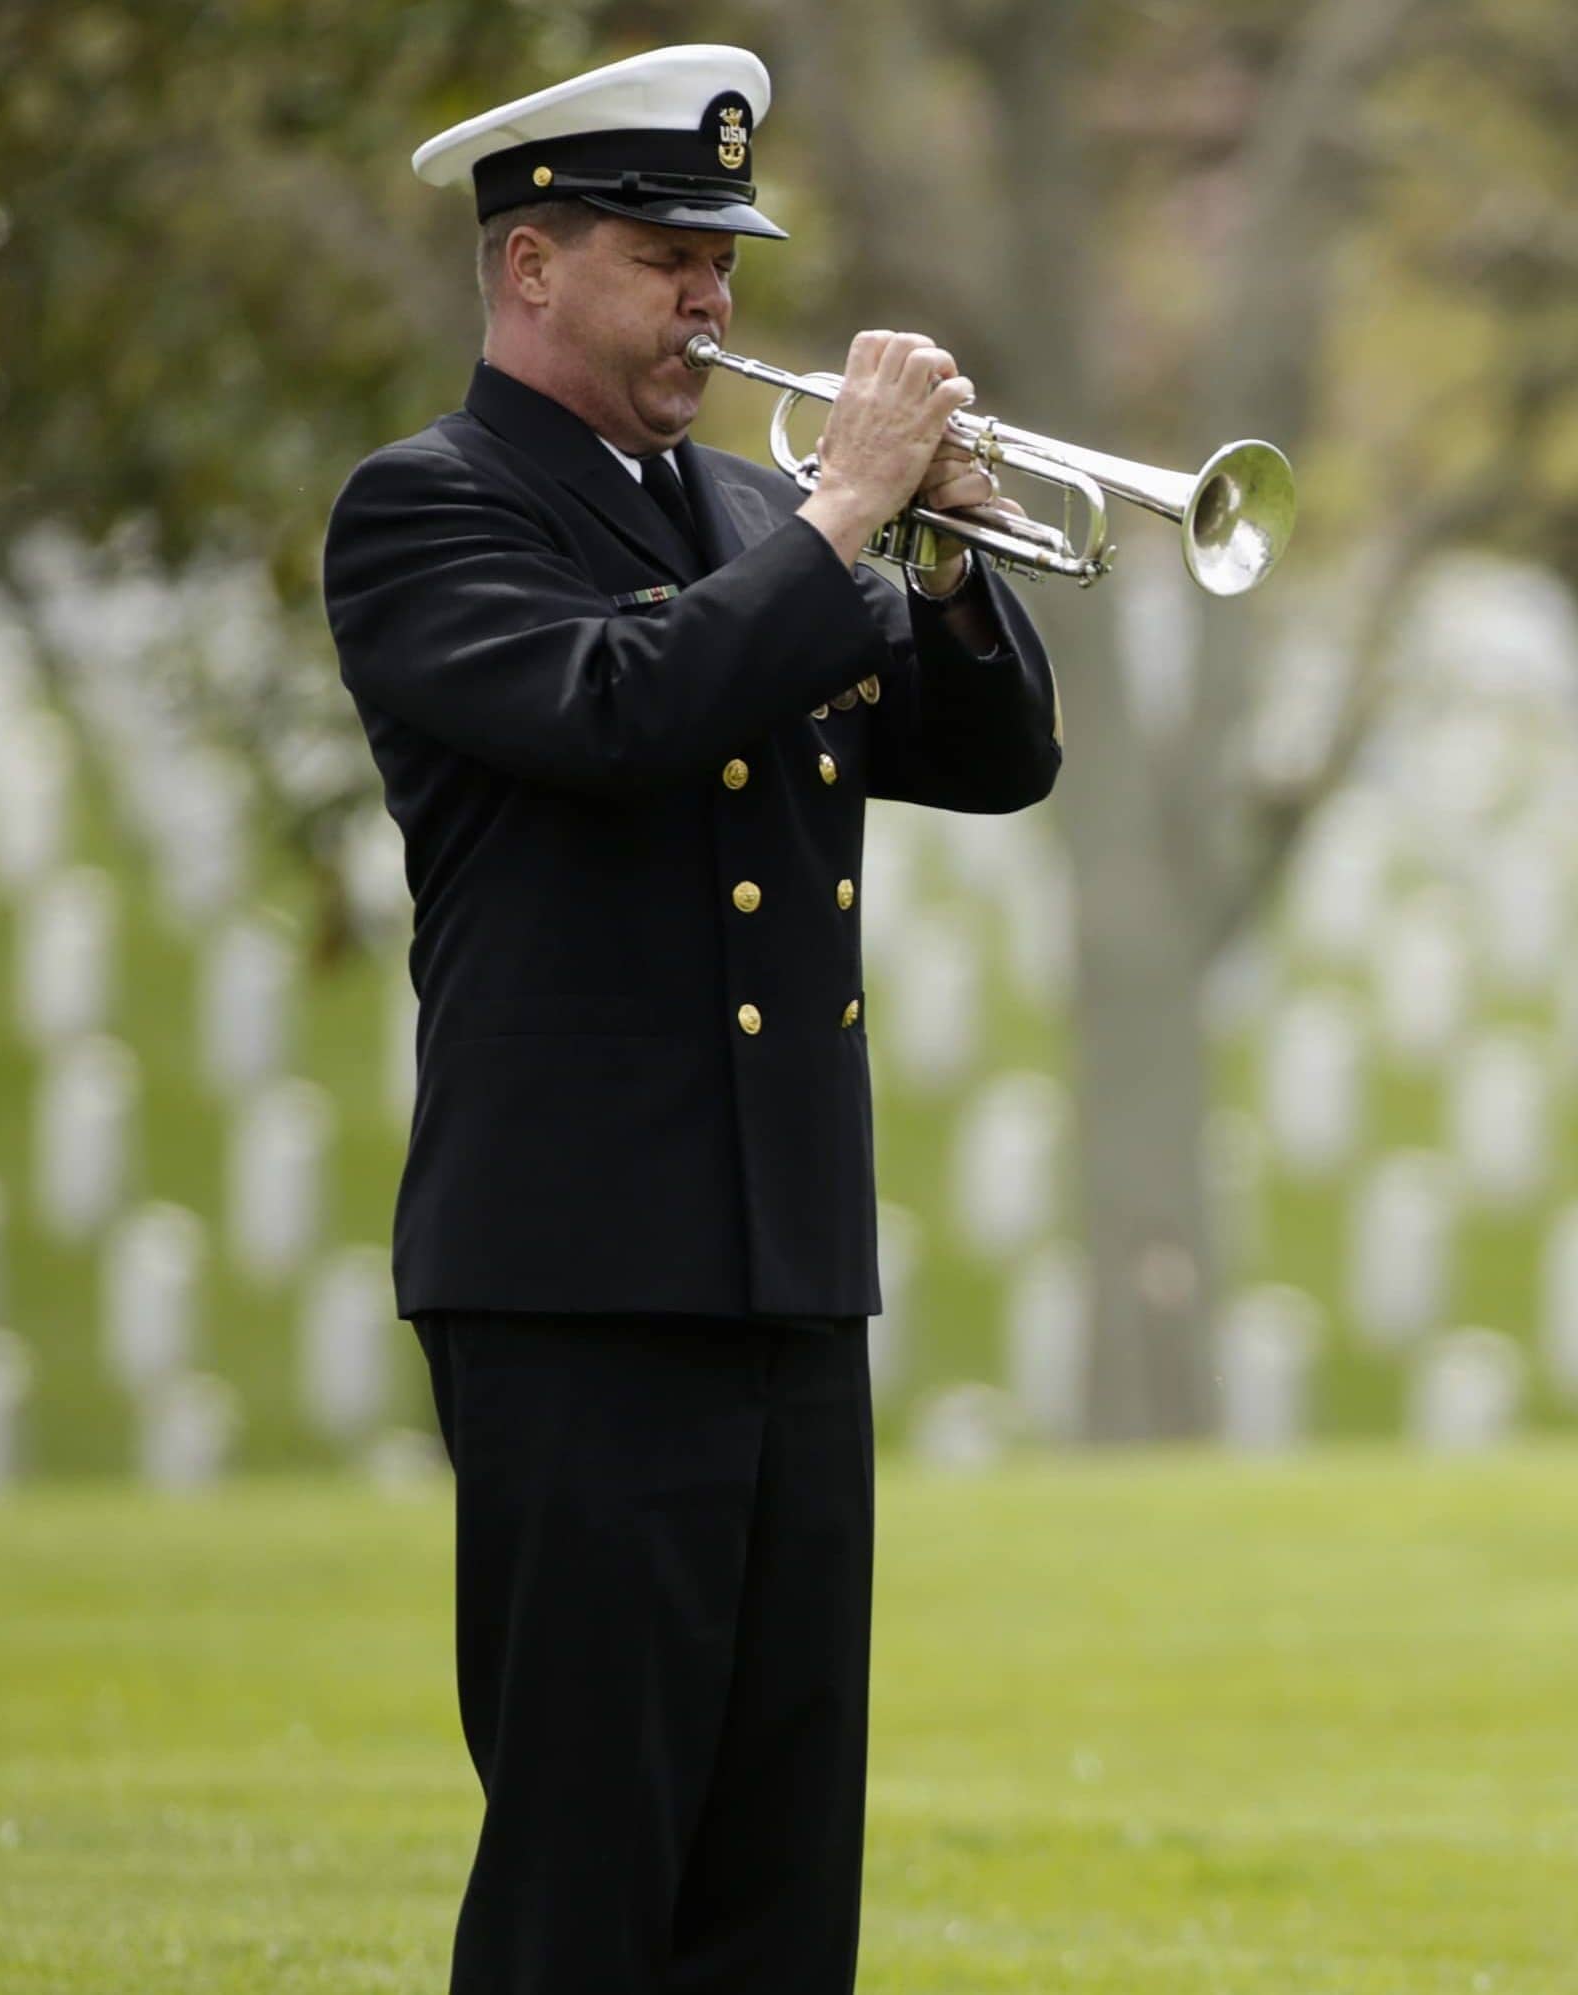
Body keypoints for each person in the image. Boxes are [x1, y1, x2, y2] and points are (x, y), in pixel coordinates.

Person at [320, 43, 1062, 1995]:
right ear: (531, 265)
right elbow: (619, 710)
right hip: (577, 1271)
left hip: (785, 1263)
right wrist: (843, 524)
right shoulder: (427, 511)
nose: (714, 303)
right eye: (667, 256)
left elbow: (989, 760)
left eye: (722, 260)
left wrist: (955, 548)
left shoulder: (752, 507)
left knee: (779, 1856)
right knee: (590, 1840)